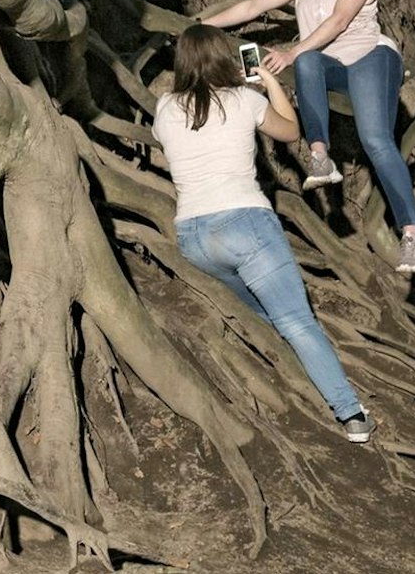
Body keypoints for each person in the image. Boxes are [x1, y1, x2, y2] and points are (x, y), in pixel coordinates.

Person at [154, 25, 376, 442]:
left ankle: (288, 376)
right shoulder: (244, 99)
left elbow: (166, 138)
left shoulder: (166, 106)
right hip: (246, 225)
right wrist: (271, 82)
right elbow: (291, 131)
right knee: (297, 321)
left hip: (194, 239)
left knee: (261, 313)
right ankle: (351, 415)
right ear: (226, 58)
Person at [199, 0, 415, 274]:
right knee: (307, 60)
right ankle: (320, 156)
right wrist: (202, 24)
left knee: (375, 140)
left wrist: (291, 51)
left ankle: (412, 236)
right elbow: (252, 6)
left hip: (370, 57)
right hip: (331, 64)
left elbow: (339, 21)